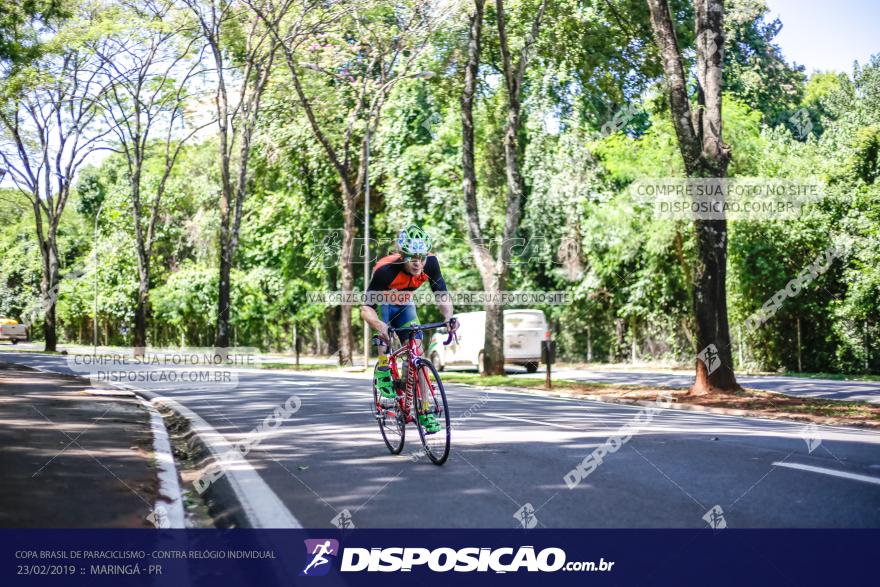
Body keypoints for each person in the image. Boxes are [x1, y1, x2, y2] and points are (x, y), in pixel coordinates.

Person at [360, 224, 458, 433]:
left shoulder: (430, 263)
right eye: (412, 258)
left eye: (421, 257)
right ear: (402, 255)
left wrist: (449, 317)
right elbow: (366, 308)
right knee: (384, 334)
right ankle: (384, 369)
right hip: (385, 303)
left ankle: (424, 411)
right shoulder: (385, 271)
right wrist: (379, 325)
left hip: (405, 304)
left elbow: (441, 294)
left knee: (418, 353)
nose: (418, 263)